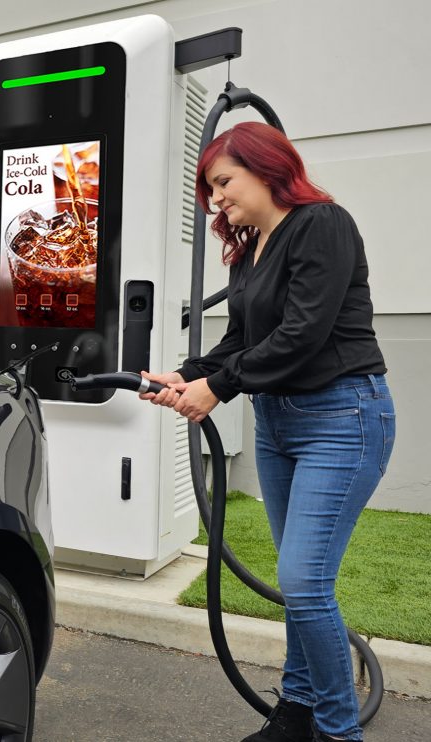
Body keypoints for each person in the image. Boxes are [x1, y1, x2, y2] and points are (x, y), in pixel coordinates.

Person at [141, 121, 395, 742]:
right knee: (300, 582)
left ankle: (339, 733)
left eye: (224, 181)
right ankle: (296, 714)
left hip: (342, 417)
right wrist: (185, 374)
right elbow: (240, 342)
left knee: (304, 583)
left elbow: (303, 334)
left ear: (267, 166)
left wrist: (218, 388)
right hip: (279, 422)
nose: (216, 198)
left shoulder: (322, 224)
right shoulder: (252, 246)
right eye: (210, 189)